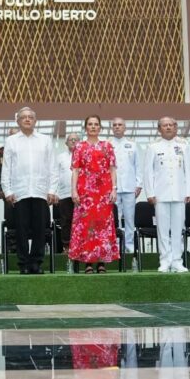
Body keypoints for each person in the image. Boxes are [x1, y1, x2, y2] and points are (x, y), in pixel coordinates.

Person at [1, 107, 58, 274]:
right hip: (20, 192)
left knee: (40, 229)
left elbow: (52, 167)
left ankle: (36, 263)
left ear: (35, 121)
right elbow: (6, 168)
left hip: (41, 191)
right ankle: (23, 264)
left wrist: (52, 189)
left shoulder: (45, 140)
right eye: (23, 117)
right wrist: (7, 190)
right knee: (21, 230)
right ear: (18, 121)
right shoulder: (11, 141)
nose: (27, 119)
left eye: (30, 117)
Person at [68, 116, 119, 274]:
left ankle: (102, 261)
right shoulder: (79, 147)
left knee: (103, 226)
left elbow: (112, 170)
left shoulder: (107, 146)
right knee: (87, 226)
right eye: (90, 124)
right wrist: (74, 190)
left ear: (100, 128)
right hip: (85, 193)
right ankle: (88, 262)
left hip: (104, 192)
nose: (93, 127)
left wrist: (114, 189)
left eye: (96, 124)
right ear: (85, 127)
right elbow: (75, 170)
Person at [143, 116, 190, 273]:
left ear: (176, 127)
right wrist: (150, 192)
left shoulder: (184, 146)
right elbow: (148, 172)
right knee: (163, 230)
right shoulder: (153, 147)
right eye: (164, 125)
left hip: (179, 193)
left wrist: (189, 191)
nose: (168, 128)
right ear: (159, 129)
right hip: (160, 194)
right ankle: (164, 260)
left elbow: (189, 170)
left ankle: (177, 261)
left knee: (178, 229)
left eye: (171, 125)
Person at [109, 117, 142, 255]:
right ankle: (115, 247)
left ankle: (129, 247)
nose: (117, 127)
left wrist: (139, 184)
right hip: (112, 189)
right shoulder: (107, 144)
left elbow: (138, 166)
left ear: (125, 128)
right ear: (112, 128)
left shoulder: (133, 145)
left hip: (129, 187)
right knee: (114, 219)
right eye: (115, 125)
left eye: (120, 125)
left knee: (129, 219)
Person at [53, 133, 79, 251]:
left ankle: (80, 247)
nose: (73, 141)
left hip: (81, 196)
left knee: (80, 222)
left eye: (76, 139)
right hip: (64, 195)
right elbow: (55, 176)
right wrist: (55, 192)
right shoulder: (60, 157)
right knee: (66, 221)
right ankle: (67, 247)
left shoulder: (85, 156)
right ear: (66, 143)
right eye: (71, 140)